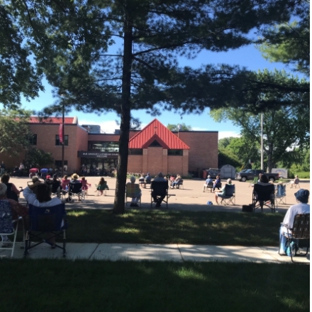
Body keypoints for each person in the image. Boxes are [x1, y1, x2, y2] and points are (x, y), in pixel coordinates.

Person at [23, 181, 63, 248]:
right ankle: (52, 242)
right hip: (55, 225)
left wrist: (34, 184)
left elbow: (25, 191)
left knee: (26, 217)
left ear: (36, 192)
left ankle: (26, 241)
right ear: (49, 192)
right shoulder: (56, 201)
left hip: (35, 225)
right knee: (49, 218)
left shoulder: (33, 201)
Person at [279, 189, 310, 255]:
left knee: (282, 227)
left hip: (293, 233)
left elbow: (287, 223)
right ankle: (296, 246)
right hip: (308, 233)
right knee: (300, 227)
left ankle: (282, 249)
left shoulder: (293, 208)